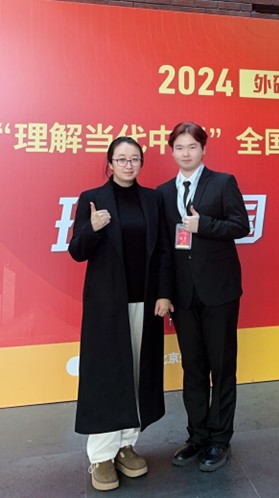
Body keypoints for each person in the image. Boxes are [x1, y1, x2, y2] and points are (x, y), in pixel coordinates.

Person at [69, 136, 173, 491]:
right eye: (122, 159)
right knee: (106, 377)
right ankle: (101, 456)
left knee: (137, 373)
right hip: (106, 305)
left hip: (145, 301)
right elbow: (77, 251)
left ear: (141, 163)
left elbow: (163, 250)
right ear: (110, 163)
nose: (129, 165)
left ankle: (127, 444)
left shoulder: (152, 199)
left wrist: (164, 293)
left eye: (135, 159)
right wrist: (93, 228)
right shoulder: (92, 199)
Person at [157, 121, 249, 472]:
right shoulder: (163, 192)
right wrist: (165, 293)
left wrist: (204, 225)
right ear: (171, 151)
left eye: (192, 147)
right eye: (179, 148)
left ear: (203, 149)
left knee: (222, 367)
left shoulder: (223, 182)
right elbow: (164, 249)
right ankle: (197, 436)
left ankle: (220, 440)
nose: (186, 153)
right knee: (193, 367)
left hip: (219, 292)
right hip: (183, 296)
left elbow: (241, 225)